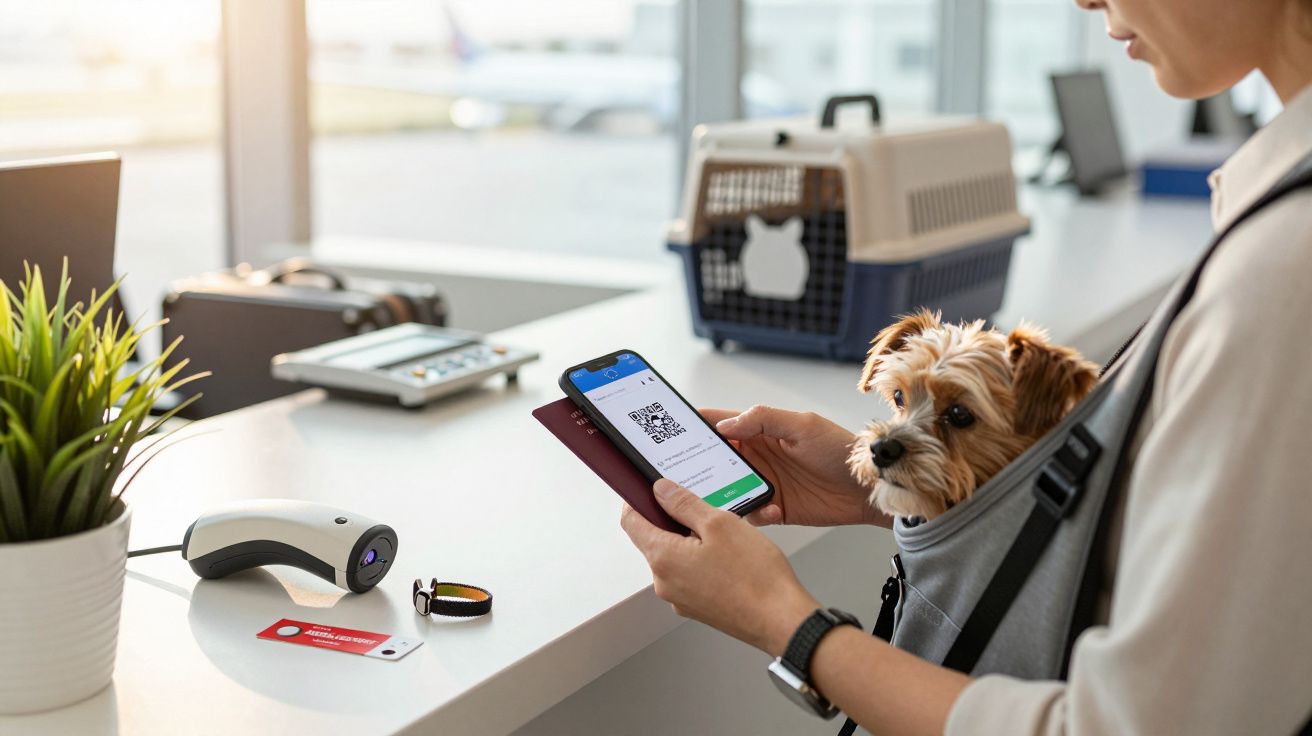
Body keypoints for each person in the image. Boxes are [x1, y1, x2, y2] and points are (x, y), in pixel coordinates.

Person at [618, 0, 1312, 732]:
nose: (1083, 2)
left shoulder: (1284, 267)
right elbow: (1140, 535)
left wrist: (781, 620)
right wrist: (878, 496)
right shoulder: (1270, 222)